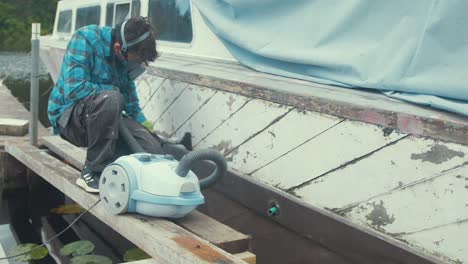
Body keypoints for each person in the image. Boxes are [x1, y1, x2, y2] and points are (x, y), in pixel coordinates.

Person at [47, 17, 162, 193]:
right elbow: (74, 89)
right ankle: (93, 171)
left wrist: (144, 125)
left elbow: (130, 102)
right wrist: (114, 91)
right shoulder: (84, 38)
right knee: (112, 98)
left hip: (105, 115)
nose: (134, 66)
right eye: (133, 61)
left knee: (151, 147)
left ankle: (119, 172)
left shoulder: (126, 58)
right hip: (69, 118)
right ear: (118, 48)